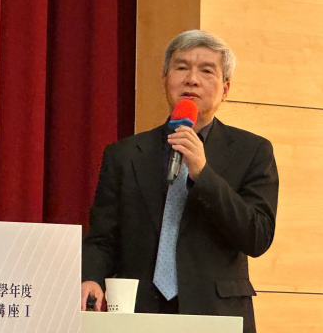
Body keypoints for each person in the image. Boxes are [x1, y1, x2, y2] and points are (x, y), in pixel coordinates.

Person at [81, 30, 279, 333]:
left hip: (216, 315)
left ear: (225, 90)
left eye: (206, 71)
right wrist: (91, 277)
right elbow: (103, 237)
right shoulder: (125, 155)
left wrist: (203, 174)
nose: (192, 79)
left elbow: (257, 236)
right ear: (165, 79)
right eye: (182, 67)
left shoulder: (252, 151)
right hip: (140, 313)